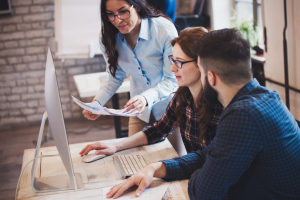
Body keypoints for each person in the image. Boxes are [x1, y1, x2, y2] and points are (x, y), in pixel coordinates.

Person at [106, 29, 300, 199]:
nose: (174, 68)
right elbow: (209, 155)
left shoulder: (242, 115)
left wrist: (203, 172)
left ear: (210, 77)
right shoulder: (266, 97)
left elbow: (203, 192)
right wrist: (156, 168)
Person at [80, 27, 223, 157]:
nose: (172, 69)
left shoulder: (221, 106)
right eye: (172, 60)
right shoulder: (183, 96)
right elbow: (159, 129)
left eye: (179, 62)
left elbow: (214, 160)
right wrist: (115, 145)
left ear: (201, 63)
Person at [83, 0, 179, 136]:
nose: (117, 20)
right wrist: (96, 103)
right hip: (139, 111)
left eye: (123, 11)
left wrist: (145, 98)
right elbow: (114, 78)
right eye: (110, 14)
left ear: (137, 7)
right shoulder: (108, 37)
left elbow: (172, 79)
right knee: (134, 155)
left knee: (172, 157)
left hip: (170, 109)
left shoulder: (163, 29)